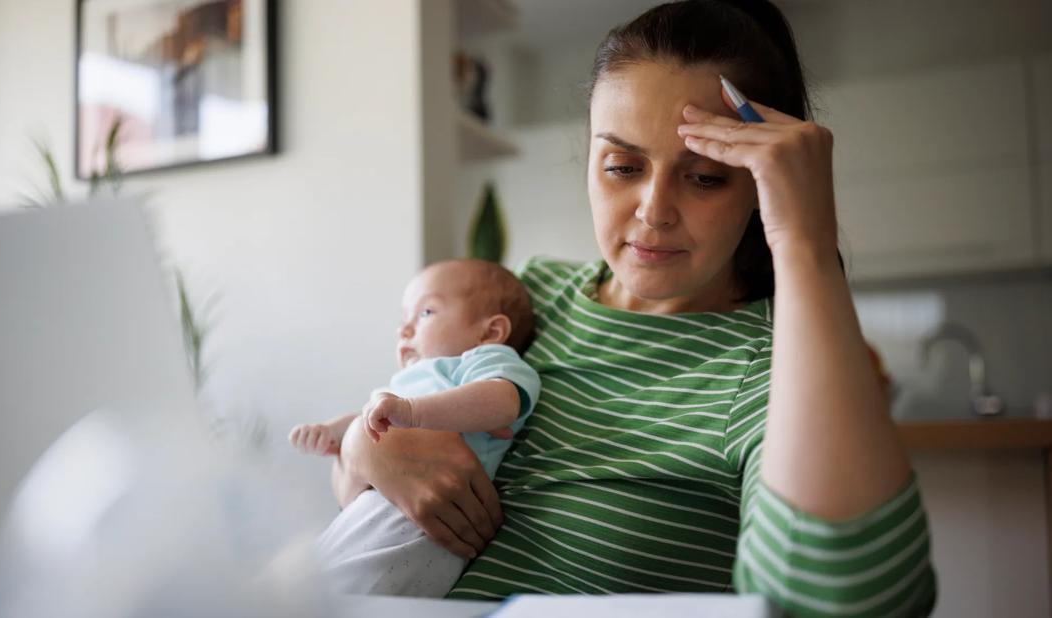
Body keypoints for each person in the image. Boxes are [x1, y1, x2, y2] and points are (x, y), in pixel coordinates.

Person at [331, 1, 937, 615]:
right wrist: (365, 446)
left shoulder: (771, 368)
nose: (653, 210)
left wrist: (804, 241)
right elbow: (359, 498)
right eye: (622, 166)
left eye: (704, 177)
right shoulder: (523, 297)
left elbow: (856, 604)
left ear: (759, 185)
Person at [288, 258, 541, 596]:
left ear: (490, 332)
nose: (404, 330)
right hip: (382, 504)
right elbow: (368, 421)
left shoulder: (484, 360)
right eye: (403, 319)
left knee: (329, 595)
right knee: (303, 584)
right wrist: (334, 432)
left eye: (426, 313)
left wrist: (411, 411)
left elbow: (502, 400)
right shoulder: (408, 384)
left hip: (428, 521)